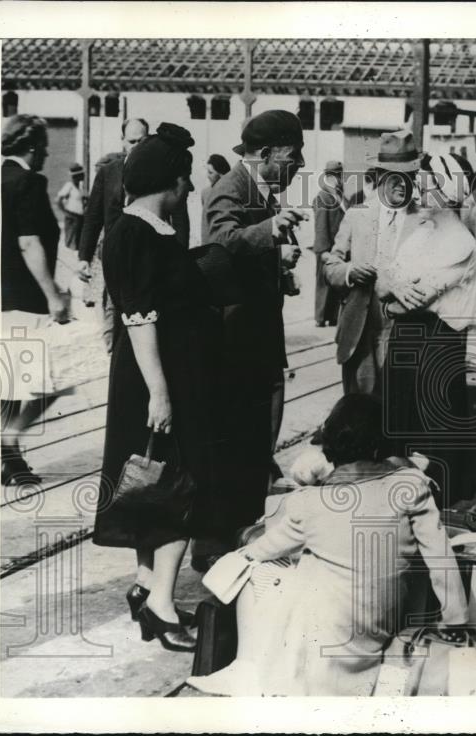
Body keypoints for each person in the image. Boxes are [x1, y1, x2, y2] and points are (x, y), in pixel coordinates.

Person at [184, 393, 469, 696]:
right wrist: (457, 620)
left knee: (259, 569)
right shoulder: (411, 486)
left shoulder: (309, 503)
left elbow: (261, 549)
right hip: (382, 625)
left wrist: (241, 552)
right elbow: (441, 558)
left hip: (323, 648)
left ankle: (246, 669)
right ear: (379, 445)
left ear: (330, 448)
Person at [92, 123, 218, 652]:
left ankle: (148, 588)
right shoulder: (140, 234)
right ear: (170, 182)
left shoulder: (140, 229)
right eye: (184, 180)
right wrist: (160, 393)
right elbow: (141, 318)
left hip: (151, 375)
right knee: (175, 489)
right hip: (159, 376)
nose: (189, 189)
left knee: (151, 484)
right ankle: (164, 608)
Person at [198, 109, 306, 571]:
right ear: (265, 154)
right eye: (292, 157)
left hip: (257, 336)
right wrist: (270, 232)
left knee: (255, 443)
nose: (298, 166)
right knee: (235, 443)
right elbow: (220, 243)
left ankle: (239, 530)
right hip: (235, 342)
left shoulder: (258, 190)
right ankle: (216, 542)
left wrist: (279, 259)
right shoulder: (230, 188)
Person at [376, 152, 476, 507]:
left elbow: (408, 300)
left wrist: (393, 297)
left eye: (425, 183)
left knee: (433, 437)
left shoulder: (459, 242)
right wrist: (393, 292)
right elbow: (382, 283)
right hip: (410, 341)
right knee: (396, 429)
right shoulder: (421, 233)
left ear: (446, 190)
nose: (416, 190)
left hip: (438, 345)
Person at [78, 119, 191, 353]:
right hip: (117, 249)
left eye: (141, 140)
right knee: (115, 303)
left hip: (150, 251)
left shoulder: (162, 168)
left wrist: (181, 255)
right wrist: (83, 256)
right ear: (122, 142)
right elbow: (93, 216)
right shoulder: (109, 172)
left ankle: (129, 350)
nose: (136, 145)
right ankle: (114, 345)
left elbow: (179, 217)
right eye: (131, 141)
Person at [323, 130, 421, 396]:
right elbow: (331, 264)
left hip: (405, 336)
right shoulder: (358, 216)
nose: (403, 184)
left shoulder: (425, 222)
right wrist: (349, 272)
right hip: (361, 333)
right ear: (380, 177)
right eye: (396, 177)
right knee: (359, 413)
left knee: (397, 413)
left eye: (410, 177)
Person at [0, 115, 69, 485]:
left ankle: (8, 459)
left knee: (9, 382)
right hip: (26, 299)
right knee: (58, 377)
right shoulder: (28, 182)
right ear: (30, 146)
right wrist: (53, 294)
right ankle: (9, 441)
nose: (46, 153)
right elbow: (29, 242)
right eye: (43, 147)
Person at [312, 160, 346, 327]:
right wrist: (323, 249)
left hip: (335, 246)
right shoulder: (322, 196)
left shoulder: (338, 195)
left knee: (334, 283)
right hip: (326, 246)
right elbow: (320, 224)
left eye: (340, 175)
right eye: (336, 175)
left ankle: (331, 316)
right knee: (323, 283)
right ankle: (320, 317)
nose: (339, 178)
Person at [55, 162, 85, 251]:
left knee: (77, 241)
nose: (83, 176)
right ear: (77, 176)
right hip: (72, 217)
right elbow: (58, 200)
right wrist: (65, 212)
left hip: (80, 217)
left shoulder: (80, 188)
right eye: (81, 174)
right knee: (71, 240)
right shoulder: (69, 186)